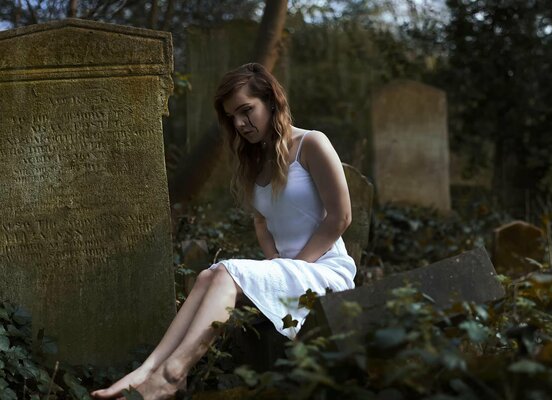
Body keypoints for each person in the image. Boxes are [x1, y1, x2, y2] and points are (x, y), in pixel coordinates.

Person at [91, 63, 356, 400]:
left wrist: (294, 267)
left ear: (272, 102)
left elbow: (340, 217)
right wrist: (276, 264)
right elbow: (261, 222)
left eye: (247, 110)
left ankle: (174, 373)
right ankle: (147, 370)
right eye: (233, 117)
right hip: (292, 272)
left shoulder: (311, 144)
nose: (241, 123)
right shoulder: (256, 162)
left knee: (226, 272)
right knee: (207, 276)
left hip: (326, 273)